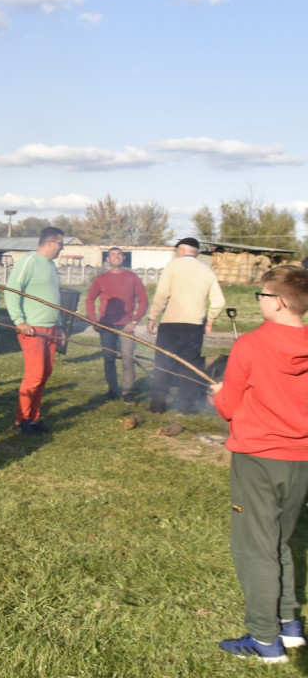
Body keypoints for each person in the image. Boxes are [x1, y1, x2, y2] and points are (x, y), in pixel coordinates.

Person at [211, 265, 308, 663]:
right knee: (279, 541)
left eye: (263, 296)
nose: (261, 302)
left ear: (279, 301)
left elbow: (229, 406)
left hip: (258, 459)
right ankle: (289, 625)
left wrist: (218, 394)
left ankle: (265, 640)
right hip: (301, 460)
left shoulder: (250, 345)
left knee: (256, 548)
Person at [147, 237, 225, 414]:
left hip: (170, 326)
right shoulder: (206, 271)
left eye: (177, 251)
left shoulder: (172, 266)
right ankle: (186, 407)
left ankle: (157, 405)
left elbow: (162, 294)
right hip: (194, 327)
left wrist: (152, 318)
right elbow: (219, 301)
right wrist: (210, 320)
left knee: (163, 364)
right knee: (190, 367)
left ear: (181, 251)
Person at [4, 227, 64, 435]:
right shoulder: (29, 260)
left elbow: (55, 298)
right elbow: (12, 290)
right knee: (35, 375)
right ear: (49, 242)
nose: (61, 249)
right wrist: (20, 321)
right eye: (60, 245)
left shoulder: (52, 267)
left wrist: (61, 326)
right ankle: (21, 421)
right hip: (33, 329)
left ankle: (34, 417)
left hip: (51, 329)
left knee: (45, 373)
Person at [84, 247, 148, 404]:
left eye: (119, 254)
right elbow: (89, 300)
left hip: (126, 326)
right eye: (112, 254)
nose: (116, 257)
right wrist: (94, 320)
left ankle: (128, 391)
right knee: (108, 358)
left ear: (123, 258)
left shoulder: (132, 277)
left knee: (127, 359)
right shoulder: (101, 279)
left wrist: (134, 322)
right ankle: (112, 390)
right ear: (108, 259)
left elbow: (144, 301)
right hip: (106, 326)